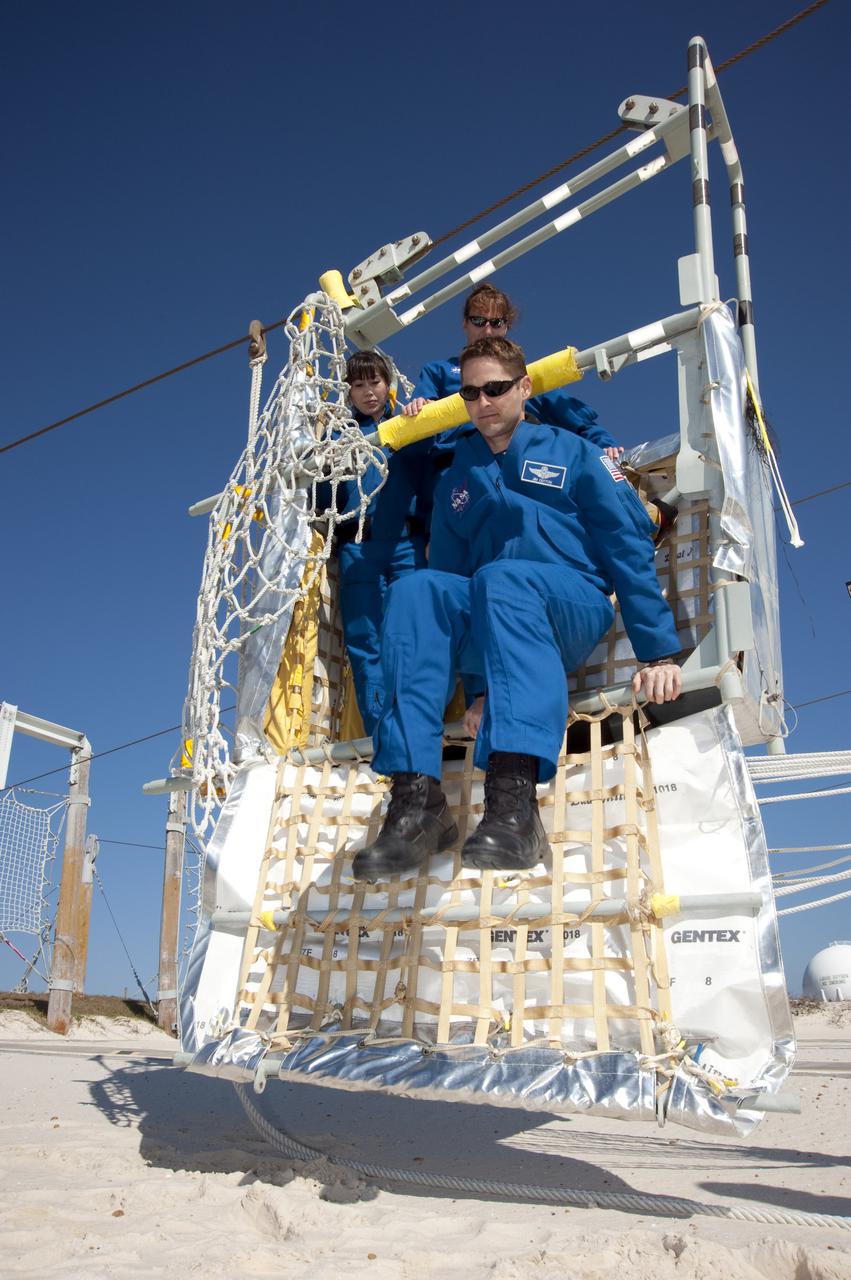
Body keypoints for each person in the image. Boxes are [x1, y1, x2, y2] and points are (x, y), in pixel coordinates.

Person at [353, 337, 681, 882]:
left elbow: (625, 543)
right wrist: (481, 688)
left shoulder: (574, 452)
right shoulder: (459, 478)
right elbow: (455, 584)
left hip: (570, 602)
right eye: (470, 393)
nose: (483, 402)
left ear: (524, 387)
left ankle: (513, 803)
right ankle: (417, 799)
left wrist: (658, 651)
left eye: (495, 389)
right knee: (417, 590)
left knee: (501, 579)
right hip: (497, 611)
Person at [402, 283, 623, 460]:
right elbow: (420, 411)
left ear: (507, 327)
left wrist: (605, 445)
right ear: (465, 324)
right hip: (457, 466)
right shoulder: (438, 371)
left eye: (496, 322)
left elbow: (576, 419)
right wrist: (419, 405)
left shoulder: (522, 378)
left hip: (516, 462)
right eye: (478, 321)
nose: (487, 330)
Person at [335, 350, 432, 736]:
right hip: (359, 547)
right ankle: (382, 735)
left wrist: (420, 418)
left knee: (412, 633)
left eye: (374, 382)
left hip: (407, 543)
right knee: (365, 640)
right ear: (349, 392)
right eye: (358, 385)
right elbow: (322, 493)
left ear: (387, 383)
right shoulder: (339, 437)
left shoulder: (409, 420)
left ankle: (419, 729)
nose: (368, 392)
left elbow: (431, 465)